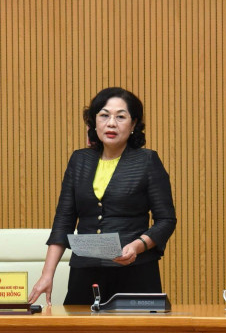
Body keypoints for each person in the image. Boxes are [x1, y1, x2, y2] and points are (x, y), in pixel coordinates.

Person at [28, 87, 177, 306]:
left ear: (134, 124)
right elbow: (63, 221)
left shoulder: (147, 161)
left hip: (135, 272)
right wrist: (46, 275)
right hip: (85, 272)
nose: (111, 123)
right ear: (94, 122)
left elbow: (166, 220)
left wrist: (138, 245)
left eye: (121, 117)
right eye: (104, 115)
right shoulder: (79, 160)